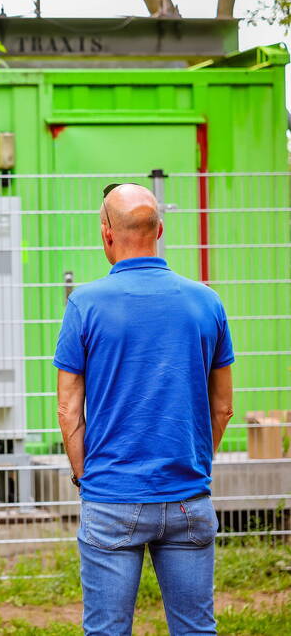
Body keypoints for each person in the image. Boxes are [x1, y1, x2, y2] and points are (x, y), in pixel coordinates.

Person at [54, 184, 234, 635]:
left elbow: (67, 408)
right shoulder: (207, 302)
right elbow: (224, 407)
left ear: (106, 234)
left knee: (107, 630)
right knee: (196, 628)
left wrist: (84, 475)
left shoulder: (85, 304)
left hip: (112, 495)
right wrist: (194, 465)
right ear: (160, 230)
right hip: (189, 496)